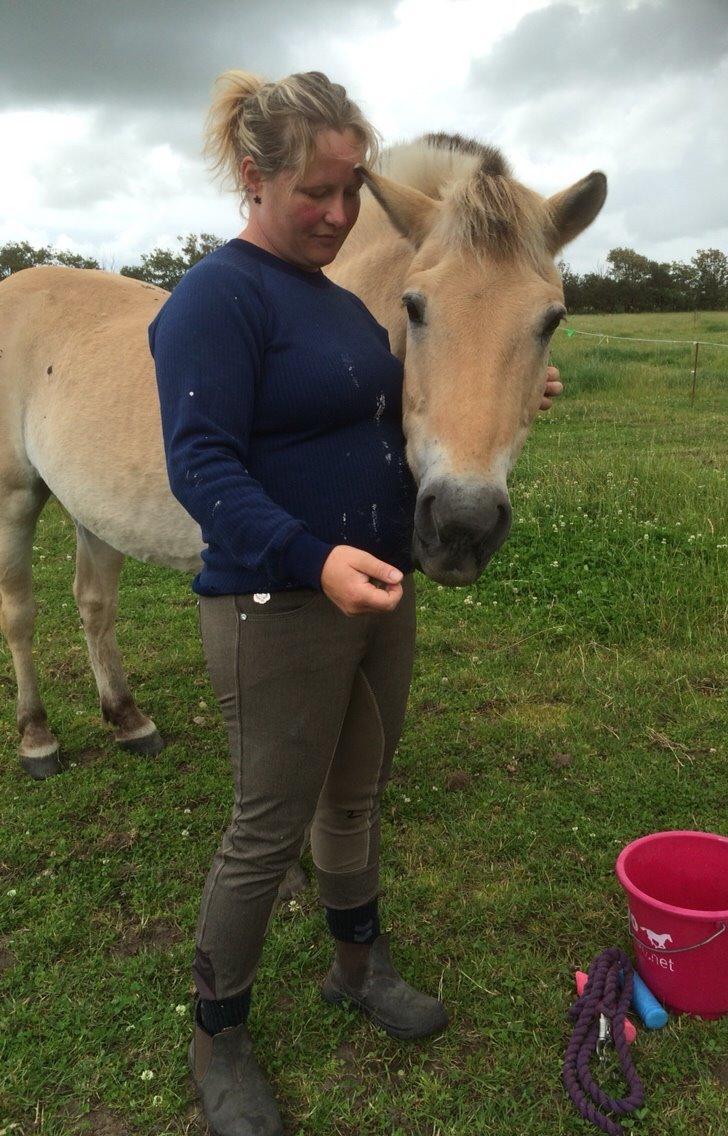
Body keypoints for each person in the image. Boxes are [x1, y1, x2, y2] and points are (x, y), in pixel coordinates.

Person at [150, 70, 562, 1136]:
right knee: (264, 825)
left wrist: (514, 376)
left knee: (358, 793)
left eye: (349, 194)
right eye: (316, 193)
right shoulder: (216, 299)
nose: (337, 216)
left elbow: (402, 403)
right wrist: (311, 555)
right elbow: (200, 466)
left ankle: (355, 961)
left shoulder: (339, 303)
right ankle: (218, 1030)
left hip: (376, 586)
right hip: (275, 599)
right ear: (255, 177)